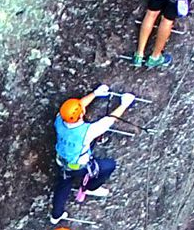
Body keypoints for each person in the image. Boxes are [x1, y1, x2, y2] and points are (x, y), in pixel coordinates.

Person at [51, 86, 136, 219]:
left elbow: (78, 107)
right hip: (79, 167)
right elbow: (110, 120)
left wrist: (95, 94)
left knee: (64, 185)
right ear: (81, 115)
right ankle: (91, 187)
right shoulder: (87, 132)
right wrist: (124, 104)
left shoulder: (59, 120)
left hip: (61, 162)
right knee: (109, 166)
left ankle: (56, 215)